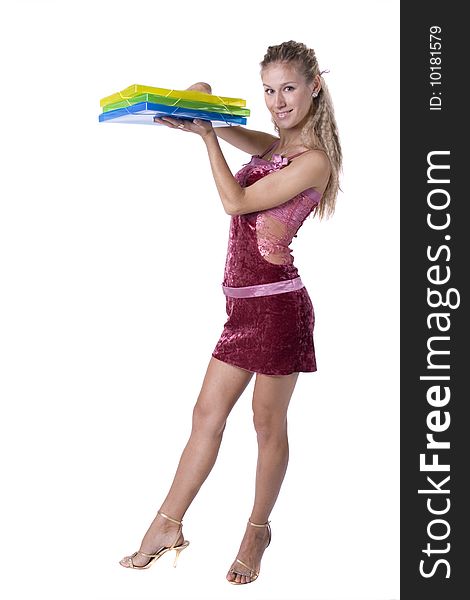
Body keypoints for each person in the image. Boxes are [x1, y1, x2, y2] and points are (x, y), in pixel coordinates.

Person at [119, 40, 342, 585]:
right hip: (240, 313)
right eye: (269, 90)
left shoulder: (314, 160)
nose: (277, 100)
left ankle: (256, 531)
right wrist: (201, 115)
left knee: (266, 425)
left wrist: (206, 139)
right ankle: (165, 526)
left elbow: (236, 202)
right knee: (205, 416)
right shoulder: (274, 147)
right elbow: (238, 132)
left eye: (288, 88)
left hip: (279, 311)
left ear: (314, 86)